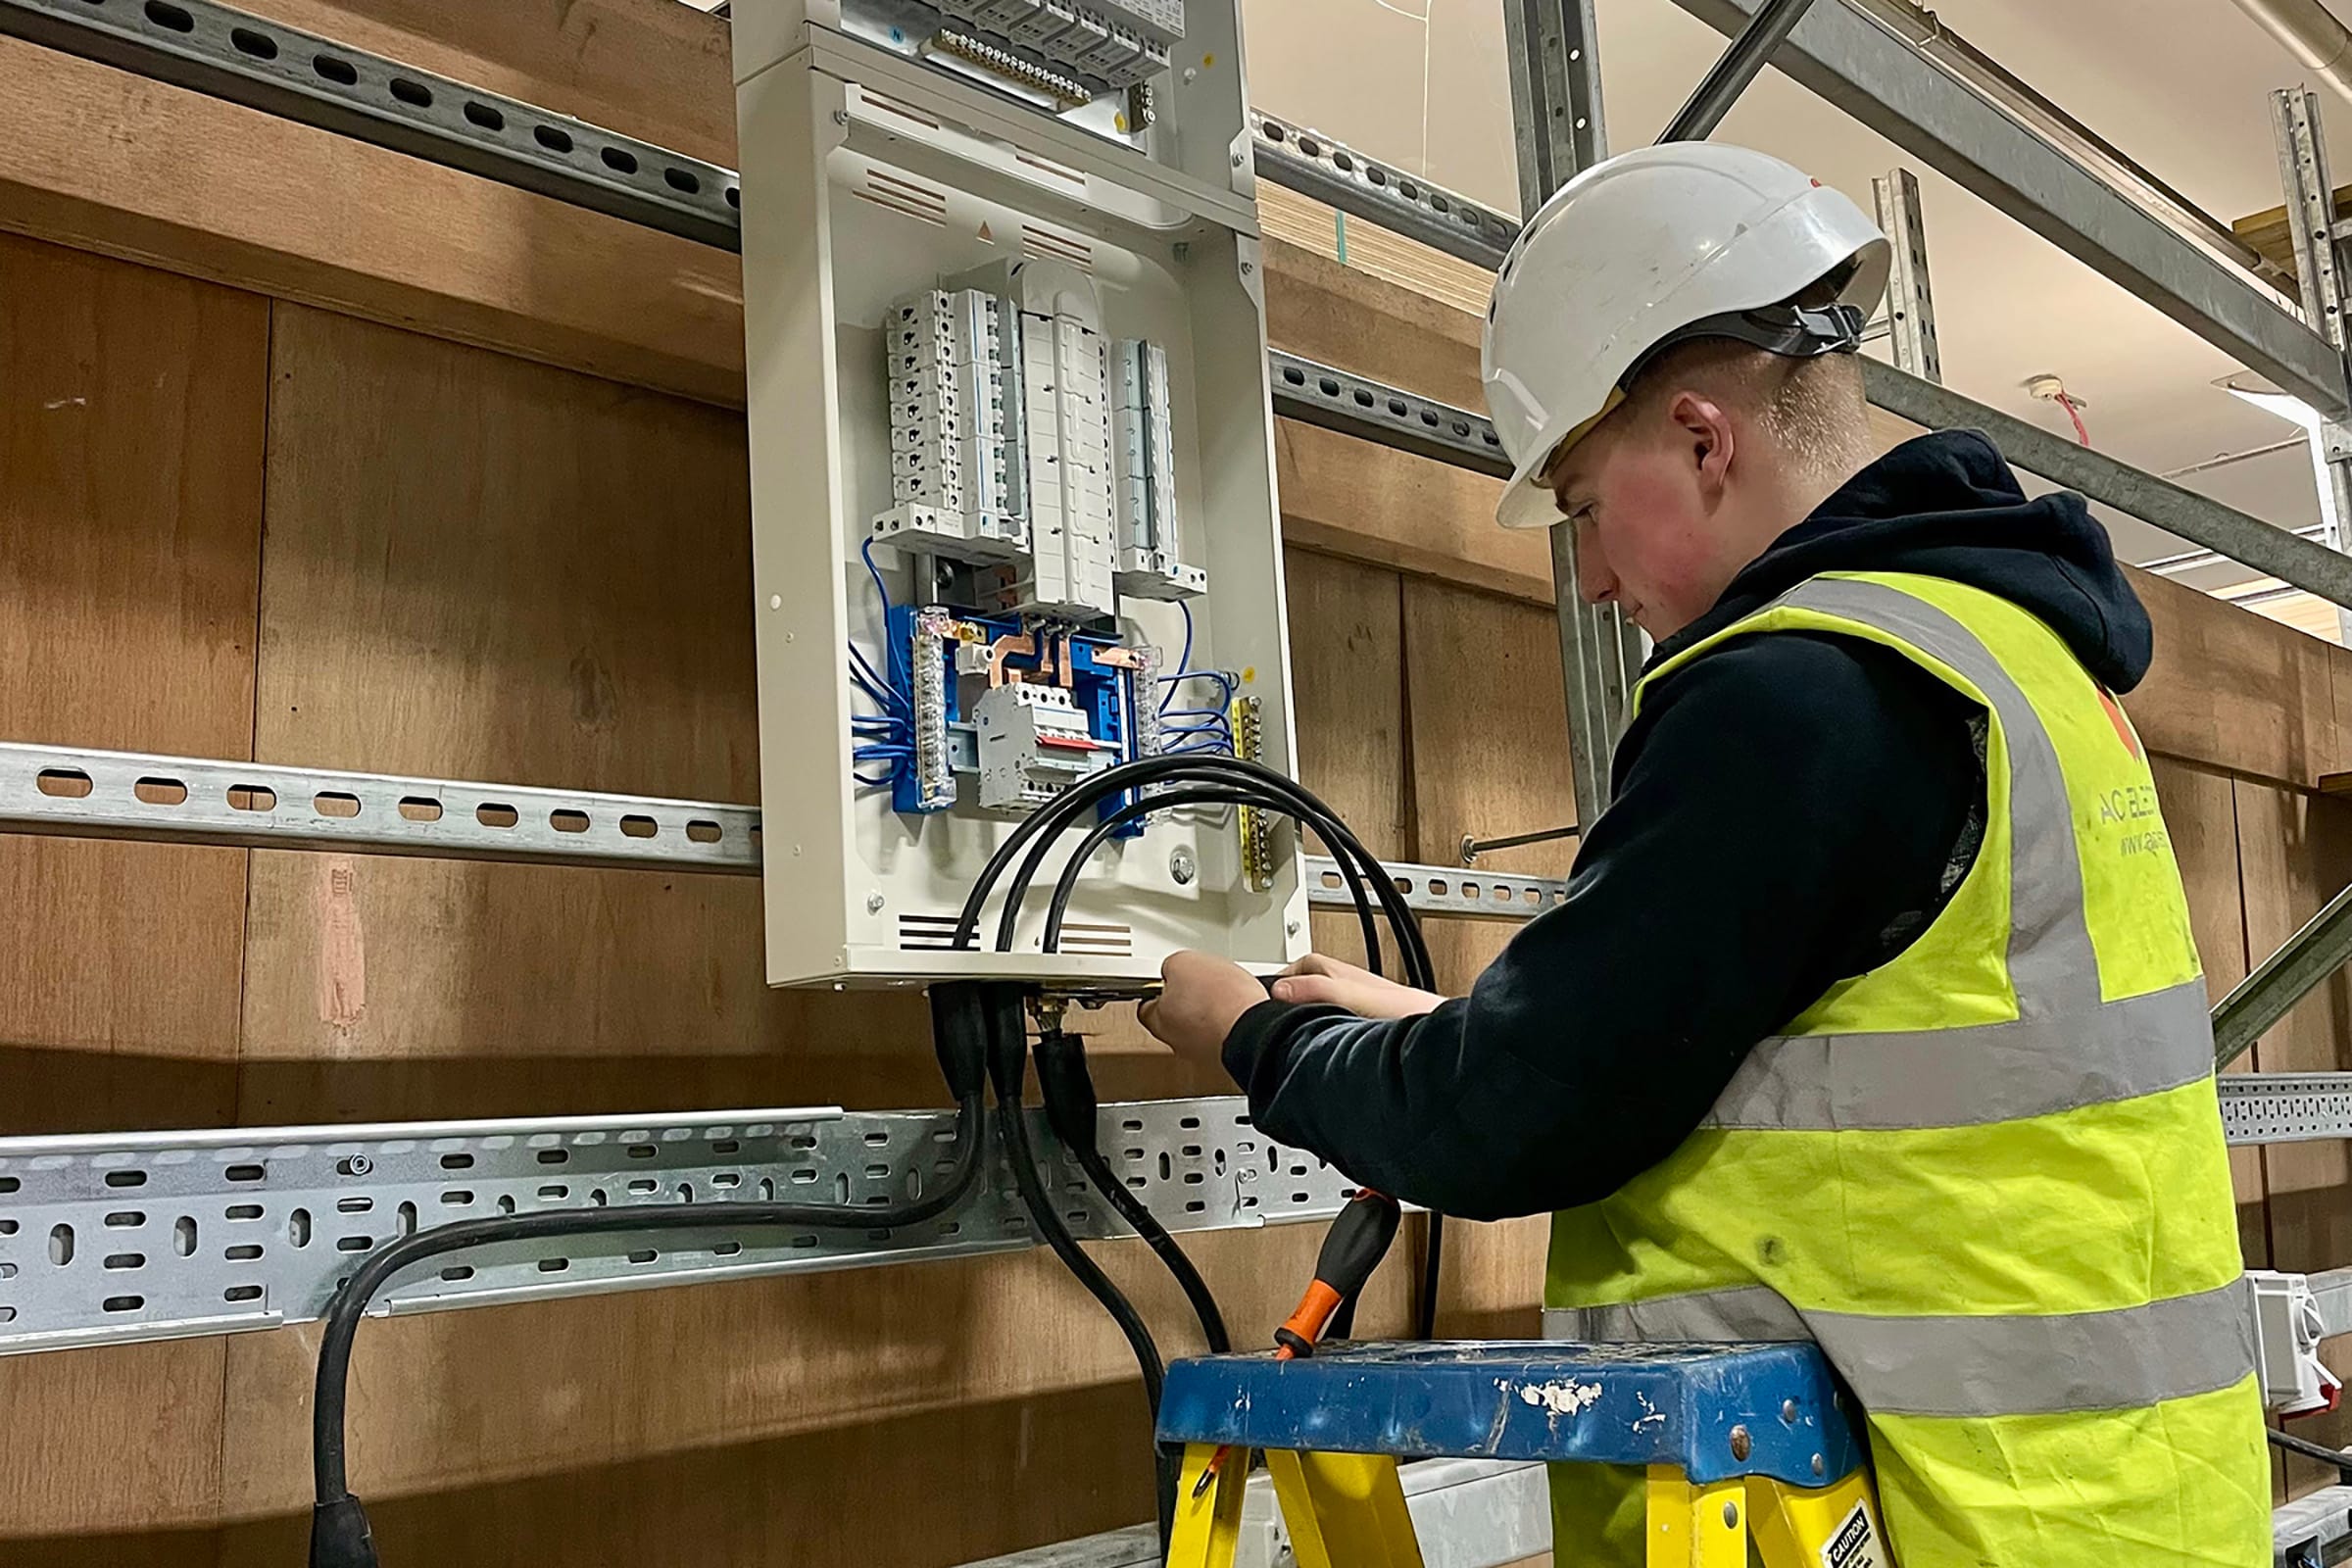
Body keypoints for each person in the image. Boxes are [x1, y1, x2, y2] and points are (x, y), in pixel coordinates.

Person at [1139, 142, 2270, 1565]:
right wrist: (1437, 1018)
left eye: (1582, 512)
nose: (1596, 579)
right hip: (2114, 1499)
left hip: (1943, 1514)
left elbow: (1522, 1120)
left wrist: (1251, 1038)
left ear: (1700, 437)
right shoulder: (2012, 658)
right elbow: (1845, 1056)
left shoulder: (1800, 690)